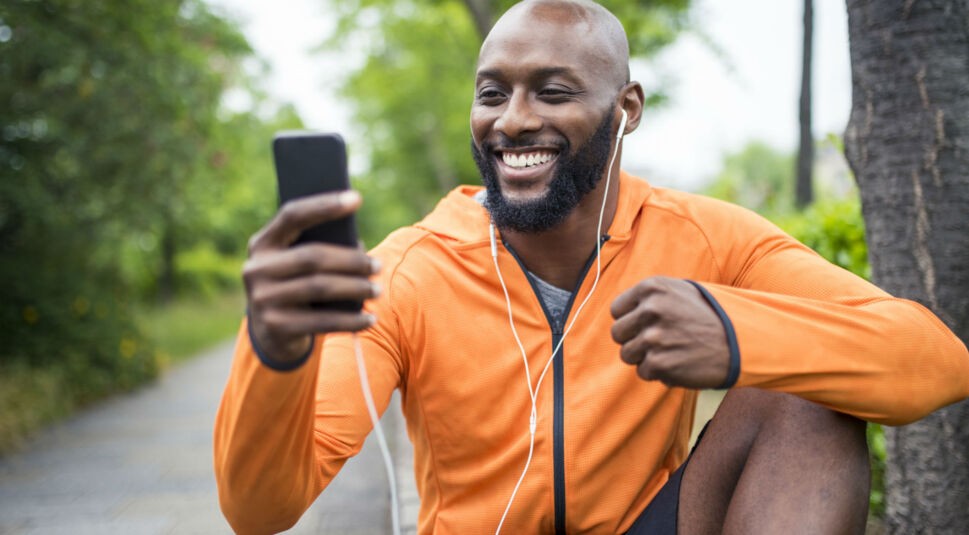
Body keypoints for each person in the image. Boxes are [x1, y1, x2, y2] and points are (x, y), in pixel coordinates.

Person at [214, 1, 969, 533]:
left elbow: (937, 360)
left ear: (625, 107)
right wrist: (274, 354)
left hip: (652, 523)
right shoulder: (413, 269)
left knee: (808, 395)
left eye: (552, 90)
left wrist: (739, 340)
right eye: (491, 93)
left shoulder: (701, 236)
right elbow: (260, 512)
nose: (511, 119)